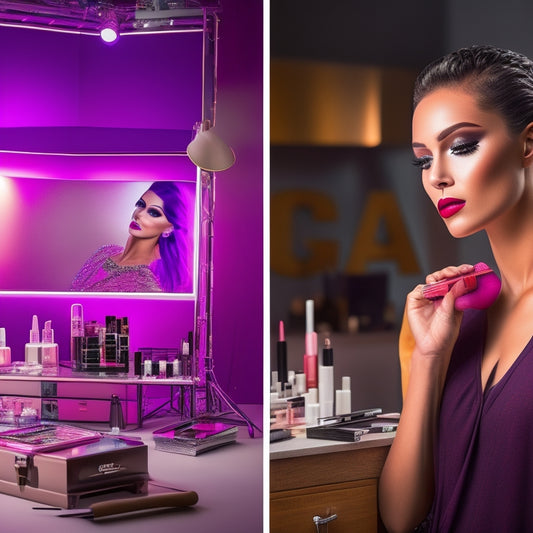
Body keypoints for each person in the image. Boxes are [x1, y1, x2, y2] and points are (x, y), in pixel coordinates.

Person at [378, 45, 533, 533]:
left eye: (462, 145)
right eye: (423, 160)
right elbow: (402, 518)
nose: (437, 177)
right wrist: (427, 357)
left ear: (528, 144)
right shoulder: (454, 315)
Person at [71, 181, 190, 293]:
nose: (138, 214)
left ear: (168, 228)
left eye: (153, 213)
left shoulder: (145, 283)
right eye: (141, 205)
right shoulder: (105, 252)